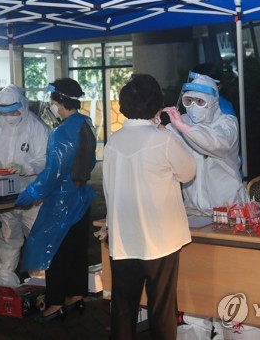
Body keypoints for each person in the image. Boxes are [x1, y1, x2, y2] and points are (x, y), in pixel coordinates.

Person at [103, 74, 196, 339]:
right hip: (160, 239)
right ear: (156, 104)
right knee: (162, 308)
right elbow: (188, 172)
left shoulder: (113, 142)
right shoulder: (162, 139)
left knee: (122, 308)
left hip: (123, 238)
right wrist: (165, 131)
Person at [14, 78, 96, 323]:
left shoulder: (61, 133)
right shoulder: (86, 123)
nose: (50, 104)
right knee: (77, 251)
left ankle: (55, 302)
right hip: (81, 199)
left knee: (55, 252)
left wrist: (31, 194)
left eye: (52, 100)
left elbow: (53, 172)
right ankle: (76, 295)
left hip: (61, 201)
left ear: (60, 102)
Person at [0, 84, 50, 288]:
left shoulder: (37, 127)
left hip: (32, 193)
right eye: (4, 113)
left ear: (22, 106)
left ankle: (40, 279)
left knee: (36, 235)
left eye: (13, 111)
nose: (9, 116)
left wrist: (26, 167)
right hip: (5, 194)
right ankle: (5, 278)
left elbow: (45, 158)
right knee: (8, 236)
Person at [163, 73, 246, 217]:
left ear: (213, 102)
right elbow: (162, 139)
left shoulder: (227, 124)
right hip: (193, 210)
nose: (193, 106)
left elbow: (214, 143)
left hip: (228, 210)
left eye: (200, 102)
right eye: (189, 101)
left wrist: (183, 128)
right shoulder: (182, 121)